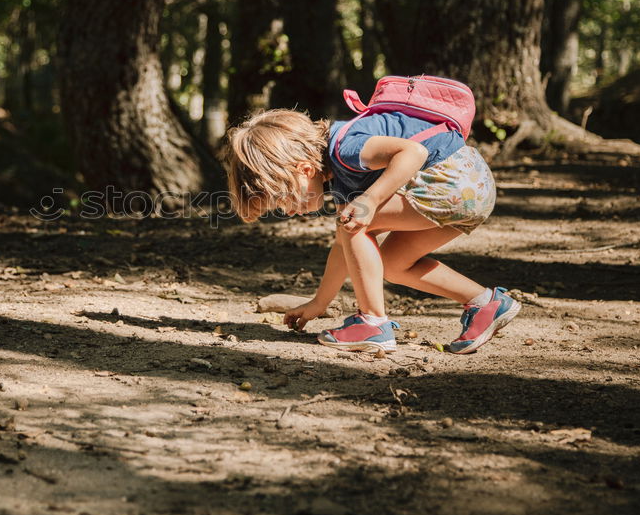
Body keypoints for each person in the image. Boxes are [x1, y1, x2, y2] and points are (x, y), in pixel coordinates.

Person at [221, 108, 520, 354]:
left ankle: (373, 323)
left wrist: (372, 198)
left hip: (454, 182)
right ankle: (486, 302)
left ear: (304, 170)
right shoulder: (338, 177)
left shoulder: (346, 147)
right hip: (468, 189)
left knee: (352, 221)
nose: (287, 210)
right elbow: (344, 248)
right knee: (391, 262)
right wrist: (319, 303)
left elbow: (412, 152)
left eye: (283, 198)